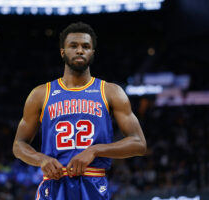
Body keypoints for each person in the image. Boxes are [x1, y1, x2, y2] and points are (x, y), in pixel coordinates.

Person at [12, 22, 147, 200]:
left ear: (92, 53)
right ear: (62, 52)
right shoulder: (40, 94)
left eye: (86, 46)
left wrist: (95, 150)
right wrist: (40, 159)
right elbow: (18, 145)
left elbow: (139, 144)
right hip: (54, 183)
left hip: (93, 181)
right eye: (73, 46)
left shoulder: (110, 91)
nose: (80, 50)